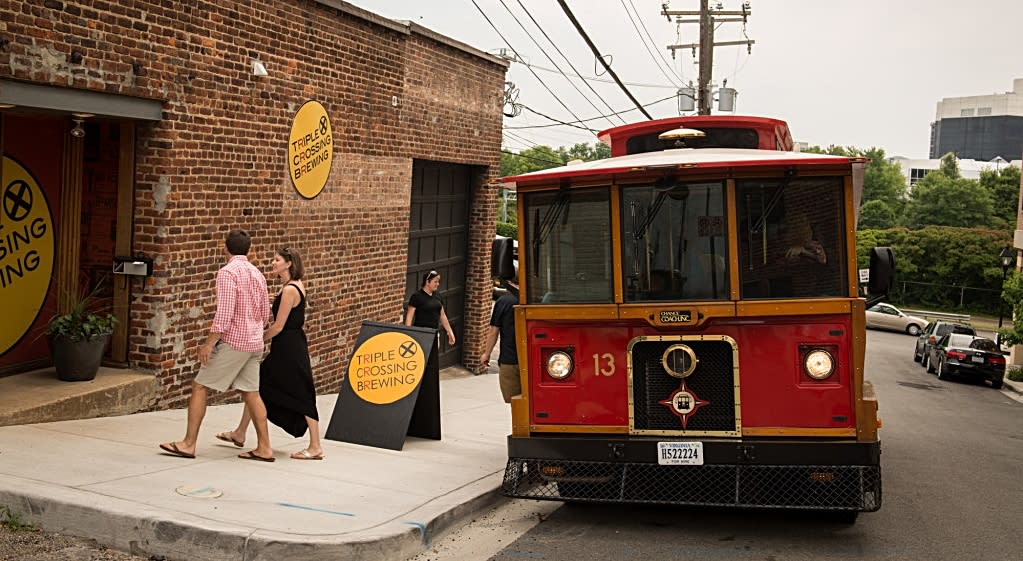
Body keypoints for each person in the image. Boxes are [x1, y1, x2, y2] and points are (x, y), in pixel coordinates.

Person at [159, 229, 274, 462]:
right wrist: (255, 331)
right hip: (255, 342)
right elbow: (265, 313)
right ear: (249, 250)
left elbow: (224, 313)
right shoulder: (257, 273)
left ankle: (188, 444)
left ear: (225, 248)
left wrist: (209, 344)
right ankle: (264, 448)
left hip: (236, 342)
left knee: (200, 386)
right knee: (252, 393)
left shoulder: (227, 273)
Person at [216, 247, 323, 460]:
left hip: (289, 349)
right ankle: (240, 432)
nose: (272, 263)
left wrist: (255, 338)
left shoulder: (291, 290)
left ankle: (315, 446)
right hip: (288, 345)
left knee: (301, 392)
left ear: (288, 263)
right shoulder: (290, 287)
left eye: (276, 260)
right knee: (256, 386)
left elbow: (278, 327)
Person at [479, 278, 520, 402]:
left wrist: (487, 354)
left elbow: (493, 332)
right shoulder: (537, 299)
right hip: (533, 360)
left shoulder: (503, 302)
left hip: (510, 360)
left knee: (514, 401)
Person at [405, 270, 456, 346]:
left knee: (434, 358)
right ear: (427, 282)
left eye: (438, 282)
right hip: (421, 335)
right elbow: (409, 317)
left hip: (434, 334)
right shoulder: (416, 296)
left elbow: (442, 315)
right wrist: (407, 336)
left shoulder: (438, 295)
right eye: (435, 282)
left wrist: (450, 332)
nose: (438, 284)